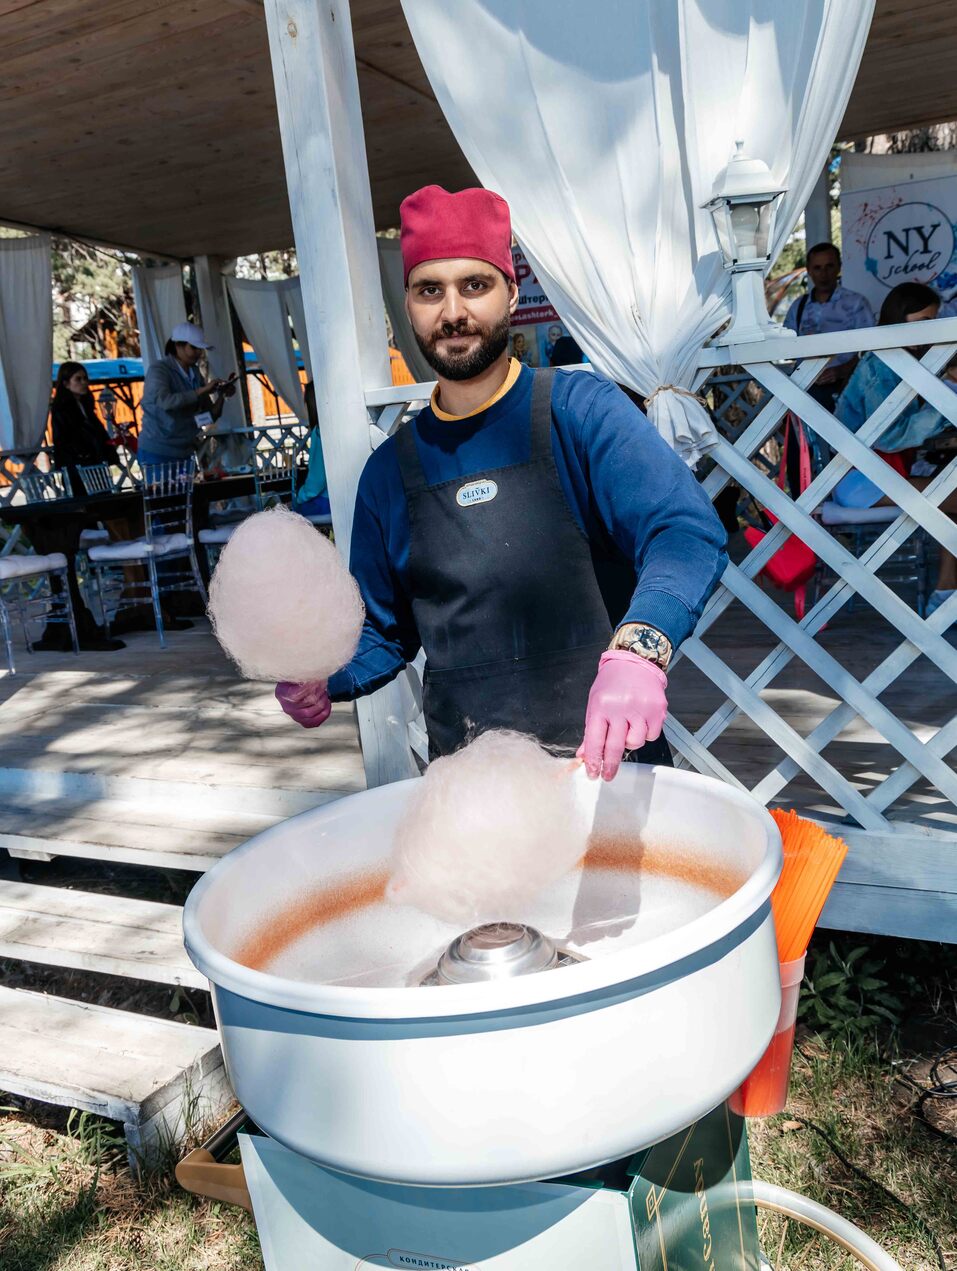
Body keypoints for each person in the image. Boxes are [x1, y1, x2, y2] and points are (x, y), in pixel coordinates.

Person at [276, 185, 727, 781]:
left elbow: (685, 531)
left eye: (475, 285)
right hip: (472, 794)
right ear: (407, 304)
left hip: (607, 771)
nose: (453, 312)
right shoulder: (389, 472)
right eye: (429, 290)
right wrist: (324, 677)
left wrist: (639, 653)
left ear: (511, 293)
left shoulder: (580, 412)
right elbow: (384, 634)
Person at [832, 281, 957, 616]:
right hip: (856, 479)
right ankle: (944, 598)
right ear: (899, 318)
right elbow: (889, 437)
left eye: (934, 320)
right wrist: (946, 391)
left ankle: (945, 595)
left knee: (953, 500)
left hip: (882, 473)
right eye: (923, 321)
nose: (930, 329)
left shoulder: (902, 359)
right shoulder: (880, 364)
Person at [137, 322, 236, 468]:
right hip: (157, 451)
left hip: (185, 451)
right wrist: (202, 391)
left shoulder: (194, 373)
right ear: (178, 346)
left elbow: (210, 416)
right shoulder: (159, 370)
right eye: (194, 347)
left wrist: (222, 396)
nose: (199, 353)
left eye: (200, 349)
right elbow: (165, 402)